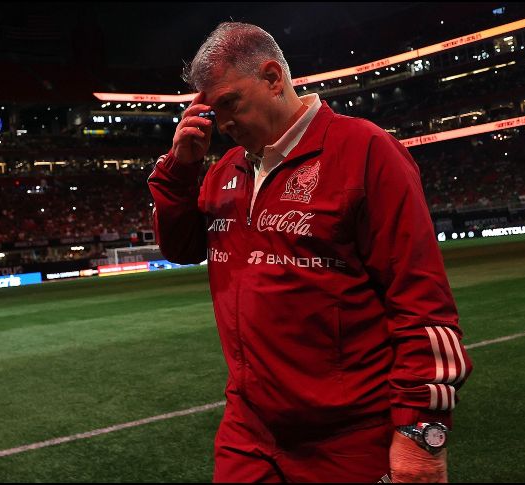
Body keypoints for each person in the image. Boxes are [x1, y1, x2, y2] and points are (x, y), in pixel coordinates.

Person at [148, 22, 473, 483]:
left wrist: (422, 431)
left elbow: (423, 306)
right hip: (249, 429)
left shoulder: (366, 151)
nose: (222, 125)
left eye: (229, 104)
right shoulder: (224, 170)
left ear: (273, 78)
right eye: (211, 111)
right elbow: (180, 248)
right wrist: (181, 171)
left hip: (346, 436)